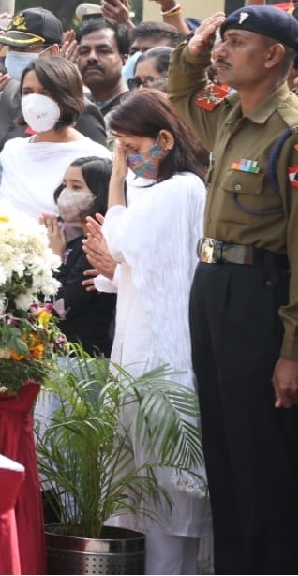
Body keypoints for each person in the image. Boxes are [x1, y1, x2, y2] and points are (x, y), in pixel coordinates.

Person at [168, 5, 298, 572]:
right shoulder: (230, 116)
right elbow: (180, 97)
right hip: (214, 286)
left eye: (237, 41)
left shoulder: (289, 130)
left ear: (274, 56)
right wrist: (193, 52)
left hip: (261, 295)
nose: (221, 50)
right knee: (222, 445)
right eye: (222, 40)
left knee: (261, 452)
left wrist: (292, 349)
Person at [85, 89, 211, 572]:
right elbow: (147, 271)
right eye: (118, 148)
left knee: (165, 491)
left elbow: (119, 241)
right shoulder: (161, 192)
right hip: (140, 346)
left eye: (131, 147)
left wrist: (116, 184)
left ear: (165, 139)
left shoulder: (180, 189)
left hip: (162, 358)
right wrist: (113, 269)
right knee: (142, 491)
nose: (124, 158)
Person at [0, 7, 108, 153]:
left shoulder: (78, 110)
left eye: (25, 49)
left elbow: (99, 162)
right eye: (11, 48)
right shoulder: (9, 94)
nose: (15, 55)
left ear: (53, 52)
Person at [0, 55, 110, 219]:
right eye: (27, 92)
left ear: (67, 97)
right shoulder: (12, 150)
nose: (34, 100)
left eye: (45, 93)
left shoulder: (95, 157)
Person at [43, 156, 115, 356]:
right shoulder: (75, 244)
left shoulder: (96, 249)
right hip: (63, 355)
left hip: (84, 359)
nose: (65, 194)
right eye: (65, 185)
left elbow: (60, 309)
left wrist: (54, 260)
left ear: (100, 194)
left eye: (76, 187)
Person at [75, 18, 131, 115]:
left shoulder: (135, 110)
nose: (91, 57)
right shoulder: (76, 107)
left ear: (124, 59)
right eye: (84, 51)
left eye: (103, 51)